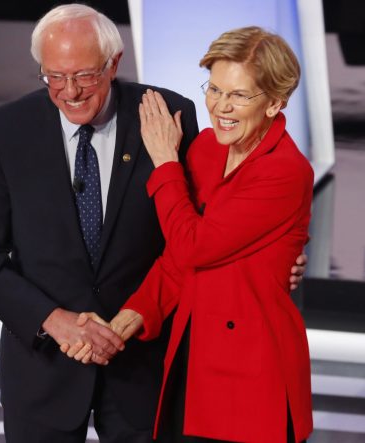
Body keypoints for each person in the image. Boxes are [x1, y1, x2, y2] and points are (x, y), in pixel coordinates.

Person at [0, 4, 306, 441]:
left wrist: (275, 255)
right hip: (44, 369)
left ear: (113, 63)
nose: (70, 91)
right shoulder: (6, 128)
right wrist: (54, 320)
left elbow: (195, 232)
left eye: (84, 75)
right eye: (54, 77)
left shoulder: (168, 117)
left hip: (145, 369)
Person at [72, 26, 314, 442]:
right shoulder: (205, 150)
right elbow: (177, 258)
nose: (221, 106)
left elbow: (195, 245)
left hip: (253, 373)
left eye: (239, 95)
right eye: (215, 89)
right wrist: (128, 319)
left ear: (275, 103)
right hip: (192, 356)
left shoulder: (285, 172)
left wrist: (165, 162)